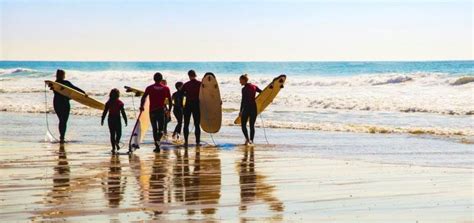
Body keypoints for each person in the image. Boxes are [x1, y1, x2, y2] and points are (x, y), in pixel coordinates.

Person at [51, 69, 86, 143]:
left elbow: (74, 89)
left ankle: (62, 137)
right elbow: (75, 88)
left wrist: (83, 93)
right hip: (64, 103)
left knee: (62, 121)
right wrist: (83, 93)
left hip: (57, 103)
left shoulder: (54, 84)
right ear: (63, 75)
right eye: (63, 74)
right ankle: (62, 137)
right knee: (63, 121)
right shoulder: (60, 83)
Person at [140, 72, 172, 152]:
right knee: (161, 130)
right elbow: (170, 101)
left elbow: (143, 97)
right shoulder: (166, 88)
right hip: (161, 111)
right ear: (161, 79)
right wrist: (169, 110)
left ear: (154, 79)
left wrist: (141, 106)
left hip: (152, 111)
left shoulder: (149, 87)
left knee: (154, 129)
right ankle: (158, 141)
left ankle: (157, 146)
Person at [101, 88, 128, 154]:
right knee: (119, 133)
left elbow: (105, 112)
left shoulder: (108, 102)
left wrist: (102, 119)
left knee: (112, 134)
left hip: (110, 119)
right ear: (118, 95)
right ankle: (117, 142)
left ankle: (113, 148)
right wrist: (125, 120)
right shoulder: (120, 103)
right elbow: (123, 112)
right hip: (117, 119)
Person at [239, 74, 262, 145]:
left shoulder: (244, 89)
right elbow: (263, 93)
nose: (240, 82)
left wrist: (240, 111)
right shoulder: (254, 86)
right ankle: (251, 140)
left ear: (243, 80)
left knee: (243, 125)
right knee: (252, 125)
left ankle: (247, 139)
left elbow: (243, 101)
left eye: (240, 80)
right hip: (254, 108)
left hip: (246, 108)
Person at [182, 70, 202, 147]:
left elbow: (181, 95)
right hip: (196, 105)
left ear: (189, 75)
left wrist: (181, 106)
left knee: (186, 124)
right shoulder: (200, 84)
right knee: (197, 124)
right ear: (195, 75)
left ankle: (186, 142)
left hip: (188, 105)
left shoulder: (186, 84)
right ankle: (197, 142)